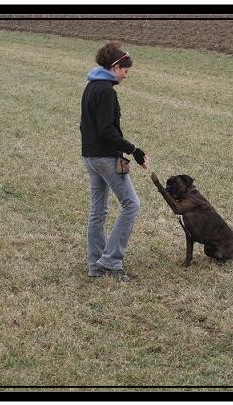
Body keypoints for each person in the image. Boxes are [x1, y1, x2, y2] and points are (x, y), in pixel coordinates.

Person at [80, 42, 149, 282]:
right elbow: (106, 130)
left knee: (98, 211)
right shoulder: (107, 91)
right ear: (115, 67)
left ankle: (95, 265)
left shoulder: (91, 86)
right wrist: (134, 150)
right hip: (105, 158)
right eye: (125, 70)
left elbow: (87, 126)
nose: (126, 75)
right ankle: (111, 261)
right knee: (132, 205)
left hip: (90, 157)